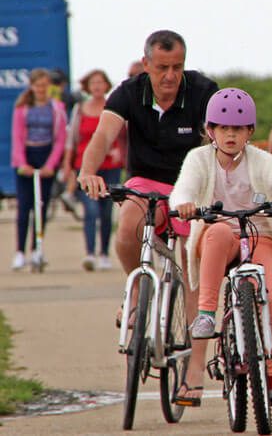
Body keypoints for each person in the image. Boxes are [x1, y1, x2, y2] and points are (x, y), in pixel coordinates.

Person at [77, 30, 218, 397]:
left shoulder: (202, 90)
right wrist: (89, 172)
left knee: (191, 266)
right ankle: (137, 289)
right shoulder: (128, 91)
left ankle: (191, 364)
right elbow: (103, 137)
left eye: (177, 67)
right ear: (146, 65)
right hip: (145, 182)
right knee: (127, 227)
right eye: (162, 68)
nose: (170, 76)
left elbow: (216, 143)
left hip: (190, 185)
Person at [170, 87, 272, 412]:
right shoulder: (198, 159)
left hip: (260, 236)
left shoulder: (262, 160)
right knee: (216, 232)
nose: (230, 135)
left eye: (238, 129)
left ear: (249, 132)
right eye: (223, 128)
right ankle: (205, 314)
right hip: (219, 236)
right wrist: (185, 204)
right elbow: (183, 188)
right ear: (210, 131)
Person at [62, 69, 123, 271]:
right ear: (88, 86)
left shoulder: (114, 106)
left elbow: (124, 134)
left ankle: (104, 253)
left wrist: (119, 153)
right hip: (86, 166)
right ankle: (90, 253)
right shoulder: (79, 109)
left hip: (110, 167)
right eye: (93, 83)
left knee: (106, 213)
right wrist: (67, 162)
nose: (97, 86)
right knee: (91, 210)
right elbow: (71, 138)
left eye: (100, 82)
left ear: (106, 85)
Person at [10, 68, 68, 270]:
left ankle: (37, 249)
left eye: (44, 86)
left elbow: (60, 139)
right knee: (24, 206)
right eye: (38, 86)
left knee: (40, 206)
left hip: (46, 156)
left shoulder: (57, 108)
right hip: (26, 156)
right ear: (32, 87)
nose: (41, 90)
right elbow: (17, 137)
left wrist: (51, 165)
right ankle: (19, 251)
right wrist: (21, 163)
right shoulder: (22, 108)